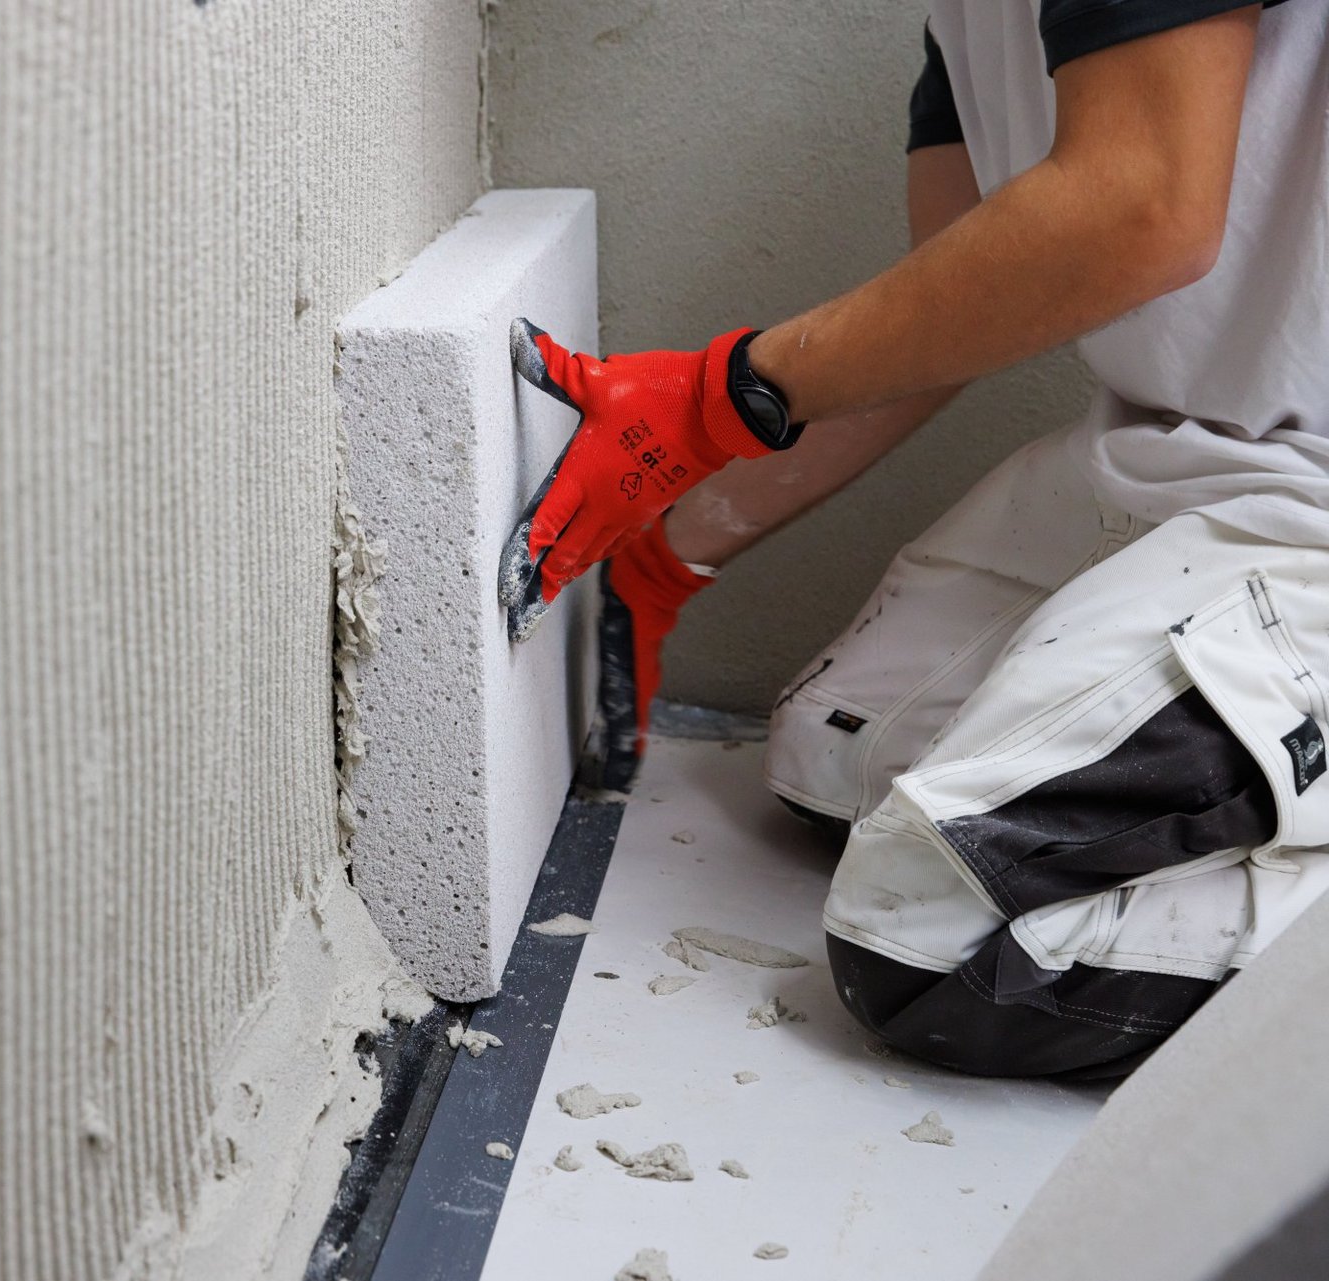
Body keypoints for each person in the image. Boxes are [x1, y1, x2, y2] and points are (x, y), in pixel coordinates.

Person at [501, 0, 1329, 1078]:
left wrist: (720, 394)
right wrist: (668, 551)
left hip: (1308, 514)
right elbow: (956, 307)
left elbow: (1144, 204)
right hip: (1202, 465)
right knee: (834, 758)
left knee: (933, 942)